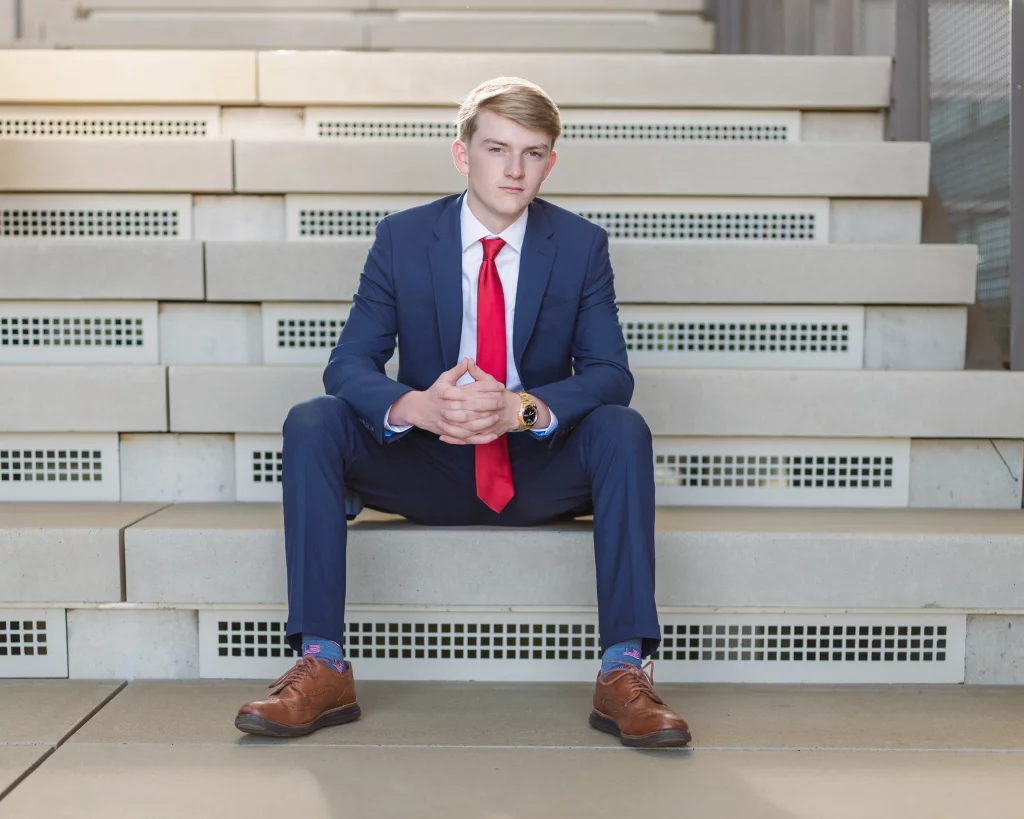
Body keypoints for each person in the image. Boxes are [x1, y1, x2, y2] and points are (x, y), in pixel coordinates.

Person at [235, 77, 691, 749]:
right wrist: (414, 404)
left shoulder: (580, 244)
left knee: (623, 429)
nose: (514, 169)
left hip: (533, 467)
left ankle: (624, 669)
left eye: (533, 153)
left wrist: (523, 408)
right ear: (462, 153)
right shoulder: (402, 237)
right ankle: (323, 663)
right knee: (314, 419)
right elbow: (349, 366)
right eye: (497, 148)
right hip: (429, 459)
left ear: (551, 163)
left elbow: (610, 375)